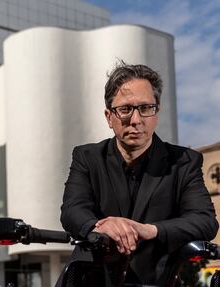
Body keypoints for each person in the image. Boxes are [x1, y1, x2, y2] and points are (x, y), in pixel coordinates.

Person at [59, 62, 218, 285]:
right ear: (108, 116)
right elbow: (72, 210)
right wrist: (99, 226)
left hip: (156, 281)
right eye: (125, 109)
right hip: (90, 278)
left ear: (157, 112)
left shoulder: (185, 162)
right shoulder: (87, 157)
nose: (136, 120)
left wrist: (149, 230)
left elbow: (204, 221)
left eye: (145, 108)